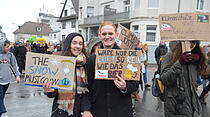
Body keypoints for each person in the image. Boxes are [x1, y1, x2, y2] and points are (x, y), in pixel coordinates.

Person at [87, 21, 139, 117]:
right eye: (104, 34)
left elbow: (135, 84)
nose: (107, 37)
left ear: (116, 34)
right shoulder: (92, 59)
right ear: (99, 35)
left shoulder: (128, 57)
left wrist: (124, 86)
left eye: (110, 33)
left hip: (121, 111)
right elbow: (88, 87)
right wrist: (87, 109)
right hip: (99, 111)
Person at [43, 33, 92, 117]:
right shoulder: (58, 62)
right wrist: (50, 91)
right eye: (74, 43)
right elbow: (53, 92)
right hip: (61, 111)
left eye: (80, 44)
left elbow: (87, 91)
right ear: (68, 44)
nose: (78, 46)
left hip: (80, 112)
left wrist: (86, 109)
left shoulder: (86, 63)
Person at [160, 41, 207, 117]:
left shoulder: (194, 58)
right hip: (176, 108)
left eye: (194, 42)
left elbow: (205, 75)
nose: (192, 44)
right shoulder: (168, 57)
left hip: (193, 108)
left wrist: (201, 60)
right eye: (189, 41)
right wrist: (179, 63)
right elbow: (165, 79)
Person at [0, 40, 20, 117]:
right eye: (6, 47)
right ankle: (2, 110)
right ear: (2, 46)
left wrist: (17, 75)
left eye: (9, 46)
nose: (8, 48)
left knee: (2, 97)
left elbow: (14, 65)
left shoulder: (10, 55)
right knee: (0, 96)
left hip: (7, 80)